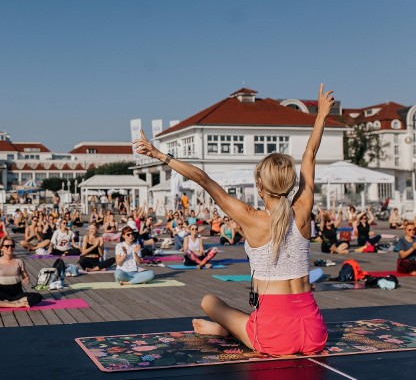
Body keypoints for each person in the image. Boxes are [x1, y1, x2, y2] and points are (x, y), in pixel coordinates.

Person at [133, 83, 333, 355]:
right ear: (289, 183)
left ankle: (228, 330)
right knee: (247, 316)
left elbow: (203, 179)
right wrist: (320, 115)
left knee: (209, 302)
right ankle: (236, 329)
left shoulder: (251, 218)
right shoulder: (303, 208)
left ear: (259, 185)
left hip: (275, 337)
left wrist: (159, 155)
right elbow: (310, 154)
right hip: (314, 333)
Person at [0, 238, 43, 308]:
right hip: (2, 293)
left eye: (12, 246)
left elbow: (26, 277)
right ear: (1, 248)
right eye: (7, 246)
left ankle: (6, 303)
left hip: (17, 293)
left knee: (37, 297)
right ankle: (15, 304)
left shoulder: (19, 261)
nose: (10, 248)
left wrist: (26, 279)